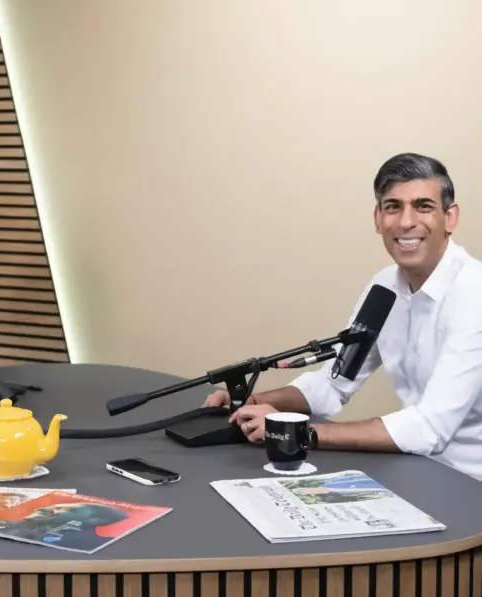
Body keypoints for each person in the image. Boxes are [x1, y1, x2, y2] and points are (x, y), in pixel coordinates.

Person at [204, 153, 482, 481]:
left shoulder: (473, 296)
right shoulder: (384, 288)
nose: (407, 221)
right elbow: (333, 383)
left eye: (423, 206)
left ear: (451, 218)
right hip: (421, 469)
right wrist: (250, 401)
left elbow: (430, 428)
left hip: (470, 484)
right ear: (378, 219)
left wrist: (300, 434)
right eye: (393, 206)